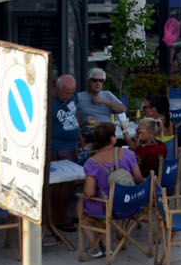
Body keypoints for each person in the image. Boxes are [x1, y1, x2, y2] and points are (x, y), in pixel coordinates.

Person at [79, 121, 141, 255]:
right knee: (97, 207)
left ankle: (95, 246)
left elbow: (89, 192)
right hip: (130, 204)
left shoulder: (91, 163)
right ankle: (104, 243)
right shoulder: (128, 154)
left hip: (108, 208)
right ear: (113, 138)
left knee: (81, 205)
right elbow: (138, 179)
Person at [48, 74, 82, 231]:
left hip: (71, 145)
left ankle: (61, 214)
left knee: (71, 183)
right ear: (57, 89)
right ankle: (58, 216)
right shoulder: (49, 102)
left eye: (72, 92)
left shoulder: (72, 96)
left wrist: (79, 133)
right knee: (62, 183)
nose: (69, 96)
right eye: (66, 93)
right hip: (58, 148)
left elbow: (75, 111)